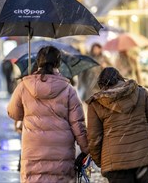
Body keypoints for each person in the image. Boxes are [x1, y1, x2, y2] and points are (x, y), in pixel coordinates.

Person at [7, 46, 89, 183]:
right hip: (61, 154)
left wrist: (28, 112)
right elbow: (78, 124)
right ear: (58, 63)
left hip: (33, 152)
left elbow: (13, 113)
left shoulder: (24, 86)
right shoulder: (69, 90)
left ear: (38, 62)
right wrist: (86, 148)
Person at [86, 67, 148, 183]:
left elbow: (94, 137)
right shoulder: (141, 93)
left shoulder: (97, 104)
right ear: (120, 78)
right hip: (145, 157)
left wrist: (100, 161)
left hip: (116, 162)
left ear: (101, 84)